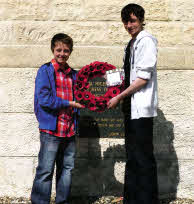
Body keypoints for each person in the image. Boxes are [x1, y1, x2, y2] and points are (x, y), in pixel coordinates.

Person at [108, 3, 159, 204]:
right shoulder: (131, 43)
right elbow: (128, 76)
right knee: (132, 155)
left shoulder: (146, 41)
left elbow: (143, 78)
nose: (129, 25)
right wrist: (112, 81)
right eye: (126, 21)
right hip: (130, 107)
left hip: (141, 109)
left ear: (140, 20)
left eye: (133, 20)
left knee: (143, 158)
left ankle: (147, 200)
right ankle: (132, 198)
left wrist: (119, 96)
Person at [31, 33, 84, 204]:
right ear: (53, 50)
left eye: (66, 50)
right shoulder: (45, 70)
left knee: (67, 169)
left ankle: (63, 201)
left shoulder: (74, 75)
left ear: (71, 52)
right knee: (45, 171)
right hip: (51, 130)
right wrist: (70, 103)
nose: (62, 53)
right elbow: (44, 99)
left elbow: (83, 95)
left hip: (69, 130)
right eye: (59, 50)